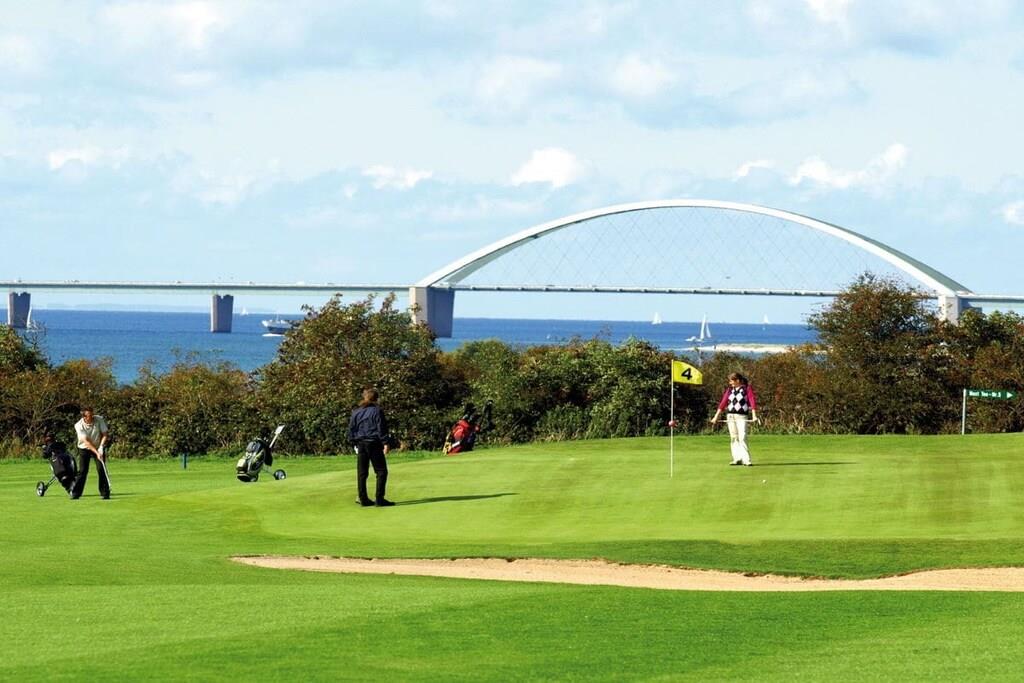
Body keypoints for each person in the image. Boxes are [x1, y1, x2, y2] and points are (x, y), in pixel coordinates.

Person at [347, 388, 394, 507]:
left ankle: (363, 498)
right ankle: (379, 499)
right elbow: (381, 428)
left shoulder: (356, 412)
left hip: (361, 444)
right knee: (381, 471)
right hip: (374, 443)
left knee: (362, 473)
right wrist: (386, 443)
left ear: (364, 397)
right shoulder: (377, 411)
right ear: (376, 399)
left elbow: (351, 429)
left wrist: (354, 443)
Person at [710, 372, 758, 467]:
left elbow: (752, 401)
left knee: (742, 436)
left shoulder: (746, 389)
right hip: (730, 416)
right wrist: (716, 416)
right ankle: (737, 458)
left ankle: (746, 460)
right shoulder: (729, 390)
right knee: (734, 437)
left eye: (731, 381)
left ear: (738, 380)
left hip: (741, 416)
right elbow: (723, 403)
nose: (730, 383)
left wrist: (754, 415)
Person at [70, 406, 111, 499]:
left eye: (92, 414)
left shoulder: (99, 419)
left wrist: (101, 447)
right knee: (83, 471)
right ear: (84, 417)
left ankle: (105, 493)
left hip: (98, 446)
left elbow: (105, 434)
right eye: (89, 415)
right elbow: (86, 442)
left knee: (101, 469)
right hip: (84, 448)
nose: (92, 417)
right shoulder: (78, 425)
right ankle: (76, 493)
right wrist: (97, 453)